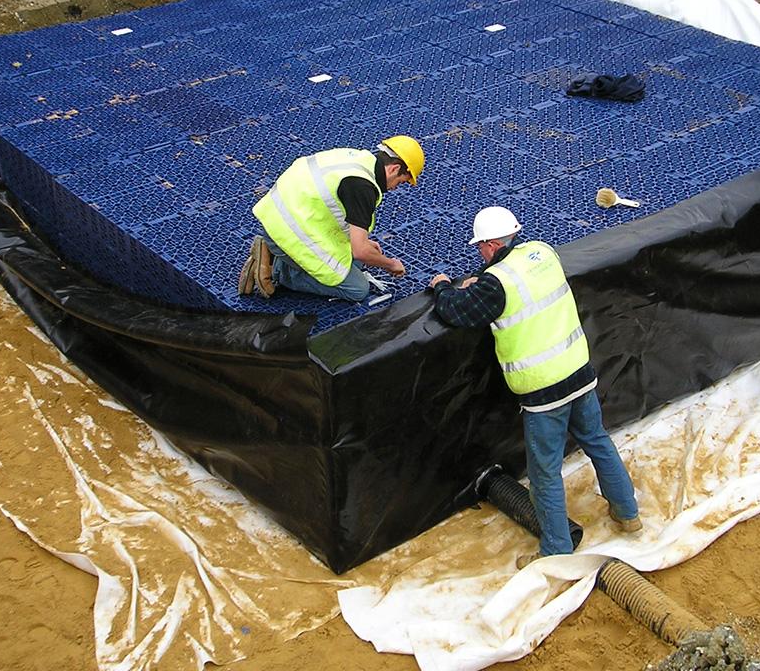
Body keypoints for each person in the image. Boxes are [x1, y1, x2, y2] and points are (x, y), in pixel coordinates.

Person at [429, 205, 641, 569]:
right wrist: (481, 280)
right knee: (598, 441)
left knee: (544, 472)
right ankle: (628, 514)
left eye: (481, 246)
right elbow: (515, 280)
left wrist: (443, 287)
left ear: (493, 244)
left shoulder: (496, 284)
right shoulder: (542, 252)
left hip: (545, 392)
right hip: (579, 370)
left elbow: (458, 312)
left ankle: (557, 550)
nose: (480, 252)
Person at [240, 135, 424, 302]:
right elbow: (360, 251)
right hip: (287, 234)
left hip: (278, 217)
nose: (395, 188)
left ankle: (272, 250)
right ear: (395, 168)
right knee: (358, 289)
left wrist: (365, 247)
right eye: (400, 182)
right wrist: (390, 264)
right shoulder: (362, 187)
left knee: (359, 260)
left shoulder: (357, 159)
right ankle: (277, 269)